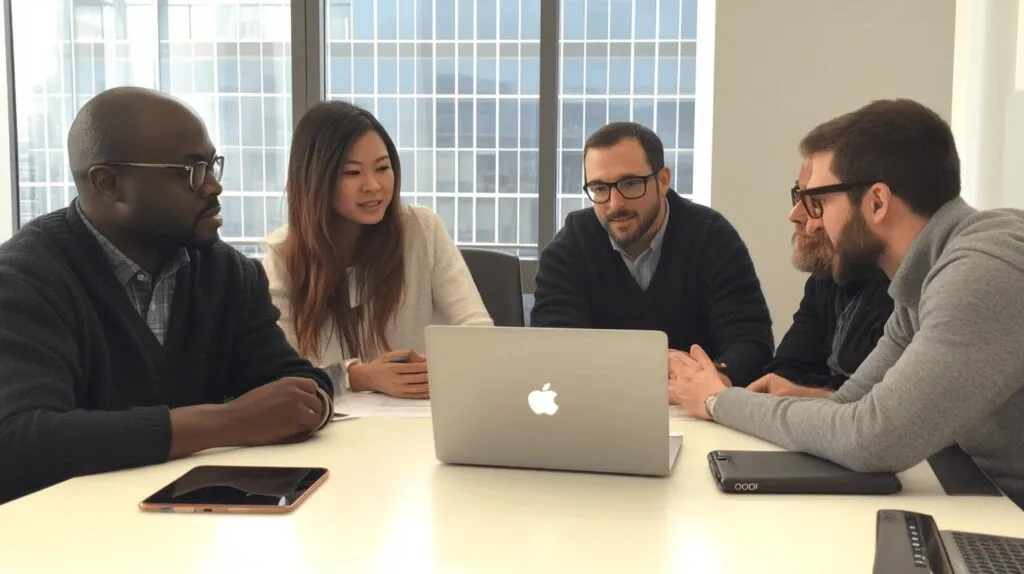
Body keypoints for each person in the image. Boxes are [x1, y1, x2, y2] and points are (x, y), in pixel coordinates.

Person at [671, 98, 1024, 509]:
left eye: (818, 201)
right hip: (993, 505)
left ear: (877, 202)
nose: (809, 219)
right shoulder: (923, 278)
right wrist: (766, 401)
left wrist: (718, 400)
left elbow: (872, 439)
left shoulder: (983, 270)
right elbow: (850, 403)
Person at [0, 87, 334, 504]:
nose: (213, 186)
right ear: (109, 184)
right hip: (63, 531)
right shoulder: (25, 279)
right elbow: (19, 441)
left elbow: (295, 383)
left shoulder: (228, 273)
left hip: (190, 528)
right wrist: (227, 422)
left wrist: (311, 403)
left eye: (212, 165)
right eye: (190, 171)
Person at [262, 101, 492, 400]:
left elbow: (477, 329)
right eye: (352, 173)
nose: (373, 185)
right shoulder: (283, 257)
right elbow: (281, 374)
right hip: (332, 420)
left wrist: (438, 367)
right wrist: (358, 375)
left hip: (418, 413)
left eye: (383, 168)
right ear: (315, 178)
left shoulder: (421, 230)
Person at [531, 121, 774, 388]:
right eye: (599, 188)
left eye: (630, 184)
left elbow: (752, 344)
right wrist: (650, 365)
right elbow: (558, 350)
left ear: (663, 181)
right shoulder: (569, 249)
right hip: (599, 401)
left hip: (696, 403)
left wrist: (713, 381)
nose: (615, 204)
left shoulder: (711, 237)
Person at [747, 159, 894, 399]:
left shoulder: (907, 288)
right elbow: (782, 373)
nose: (795, 215)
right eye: (799, 196)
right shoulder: (825, 275)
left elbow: (879, 400)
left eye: (817, 201)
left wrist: (815, 393)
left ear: (875, 204)